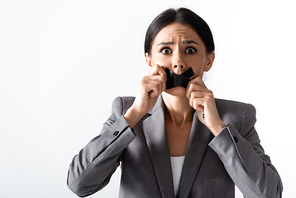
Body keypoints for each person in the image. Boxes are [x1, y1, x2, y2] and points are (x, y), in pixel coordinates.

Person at [67, 7, 283, 198]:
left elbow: (268, 195)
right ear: (149, 60)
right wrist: (135, 114)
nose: (178, 63)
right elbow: (80, 184)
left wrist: (218, 127)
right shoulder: (126, 111)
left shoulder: (237, 117)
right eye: (166, 51)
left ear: (209, 60)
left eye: (190, 50)